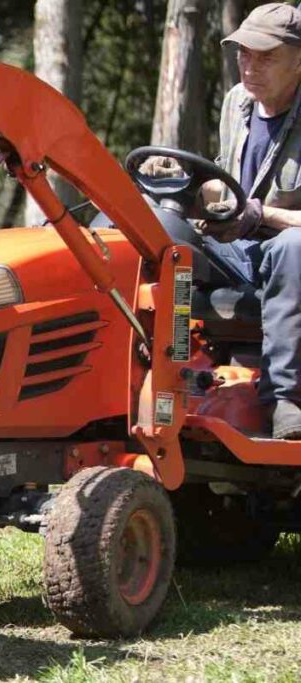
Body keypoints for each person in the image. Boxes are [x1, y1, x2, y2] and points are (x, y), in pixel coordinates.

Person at [147, 3, 301, 439]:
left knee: (294, 249)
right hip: (237, 247)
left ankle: (283, 400)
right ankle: (141, 377)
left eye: (266, 56)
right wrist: (184, 186)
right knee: (151, 229)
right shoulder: (238, 104)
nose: (250, 68)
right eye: (244, 55)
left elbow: (263, 211)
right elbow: (226, 183)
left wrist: (262, 214)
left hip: (285, 249)